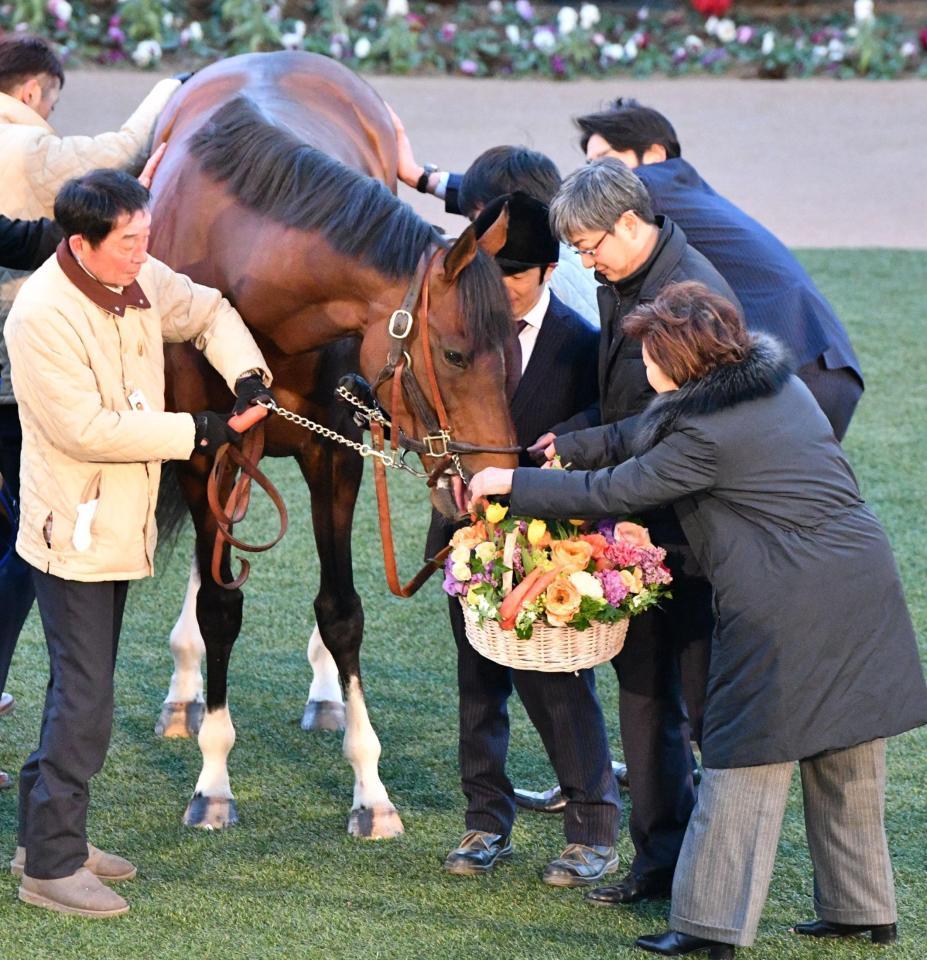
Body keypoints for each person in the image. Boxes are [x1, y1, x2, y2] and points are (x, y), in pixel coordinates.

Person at [467, 280, 927, 957]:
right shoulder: (774, 388)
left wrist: (509, 482)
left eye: (648, 357)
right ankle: (863, 909)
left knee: (743, 758)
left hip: (786, 609)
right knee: (845, 752)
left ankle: (709, 927)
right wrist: (574, 443)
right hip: (861, 590)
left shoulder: (704, 438)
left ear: (677, 365)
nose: (642, 369)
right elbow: (644, 430)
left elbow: (619, 489)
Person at [5, 168, 275, 918]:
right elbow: (84, 430)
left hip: (119, 528)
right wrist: (205, 429)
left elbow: (209, 311)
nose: (144, 253)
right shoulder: (39, 317)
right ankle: (52, 868)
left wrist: (247, 378)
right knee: (85, 702)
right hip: (75, 535)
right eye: (130, 242)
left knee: (76, 692)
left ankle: (43, 838)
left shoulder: (136, 274)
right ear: (81, 242)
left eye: (146, 237)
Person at [522, 158, 739, 908]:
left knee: (704, 712)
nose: (583, 261)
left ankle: (714, 878)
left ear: (627, 223)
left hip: (692, 536)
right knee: (647, 702)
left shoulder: (688, 296)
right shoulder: (627, 280)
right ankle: (660, 868)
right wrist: (576, 429)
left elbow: (680, 424)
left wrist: (581, 446)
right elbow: (626, 399)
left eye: (587, 246)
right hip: (646, 531)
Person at [428, 192, 621, 886]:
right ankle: (484, 820)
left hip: (551, 541)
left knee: (561, 684)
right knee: (477, 682)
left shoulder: (582, 341)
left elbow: (609, 420)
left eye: (511, 276)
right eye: (487, 273)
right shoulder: (464, 331)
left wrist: (562, 448)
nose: (498, 289)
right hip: (467, 538)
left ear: (546, 270)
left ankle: (593, 830)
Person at [0, 33, 183, 748]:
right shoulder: (30, 148)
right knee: (23, 545)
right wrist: (173, 85)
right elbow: (123, 146)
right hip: (16, 383)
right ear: (36, 88)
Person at [577, 97, 863, 440]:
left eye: (606, 162)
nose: (595, 177)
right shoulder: (680, 185)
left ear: (653, 154)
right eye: (589, 165)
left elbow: (573, 215)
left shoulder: (647, 186)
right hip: (822, 358)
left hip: (800, 361)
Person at [387, 105, 599, 325]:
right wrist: (421, 178)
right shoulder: (563, 241)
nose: (478, 236)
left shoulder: (533, 283)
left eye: (480, 223)